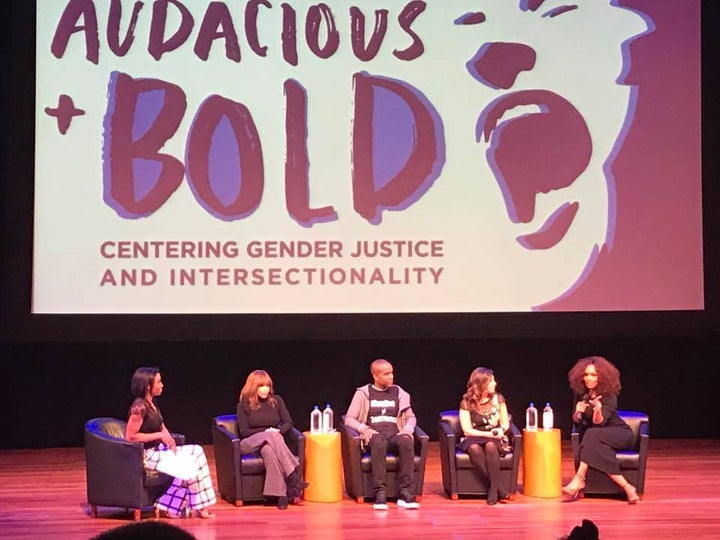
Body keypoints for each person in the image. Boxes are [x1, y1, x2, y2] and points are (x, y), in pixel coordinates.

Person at [125, 367, 216, 519]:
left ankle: (194, 506)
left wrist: (170, 441)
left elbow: (161, 425)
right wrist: (159, 435)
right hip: (146, 455)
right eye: (159, 382)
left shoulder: (152, 403)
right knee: (188, 467)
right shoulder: (139, 407)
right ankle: (171, 505)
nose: (162, 385)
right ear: (148, 386)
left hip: (159, 450)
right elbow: (130, 436)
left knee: (197, 452)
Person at [562, 355, 640, 504]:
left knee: (591, 433)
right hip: (597, 437)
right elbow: (576, 421)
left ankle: (579, 478)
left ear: (601, 377)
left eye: (593, 375)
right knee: (596, 444)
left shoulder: (609, 395)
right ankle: (628, 487)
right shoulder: (581, 394)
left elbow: (599, 424)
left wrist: (597, 410)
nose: (589, 378)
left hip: (618, 433)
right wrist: (578, 412)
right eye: (586, 374)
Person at [344, 358, 420, 510]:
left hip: (395, 434)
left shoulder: (399, 392)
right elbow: (349, 419)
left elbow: (411, 417)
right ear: (375, 376)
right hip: (375, 435)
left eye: (392, 373)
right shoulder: (363, 393)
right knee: (378, 442)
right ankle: (380, 492)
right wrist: (364, 429)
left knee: (406, 441)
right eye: (386, 374)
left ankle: (405, 492)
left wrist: (408, 429)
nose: (391, 376)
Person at [236, 369, 308, 510]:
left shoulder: (276, 401)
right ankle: (292, 476)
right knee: (272, 436)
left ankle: (280, 496)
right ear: (253, 387)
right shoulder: (243, 404)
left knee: (269, 451)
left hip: (270, 443)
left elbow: (288, 422)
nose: (265, 389)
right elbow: (244, 431)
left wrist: (277, 432)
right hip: (249, 443)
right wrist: (267, 432)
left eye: (267, 386)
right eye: (261, 386)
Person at [458, 367, 512, 505]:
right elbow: (467, 430)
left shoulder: (499, 399)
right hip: (474, 437)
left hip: (494, 438)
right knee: (475, 448)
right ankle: (498, 488)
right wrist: (487, 434)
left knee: (490, 445)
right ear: (482, 384)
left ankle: (493, 489)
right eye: (491, 381)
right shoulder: (466, 402)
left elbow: (505, 423)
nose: (495, 384)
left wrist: (501, 430)